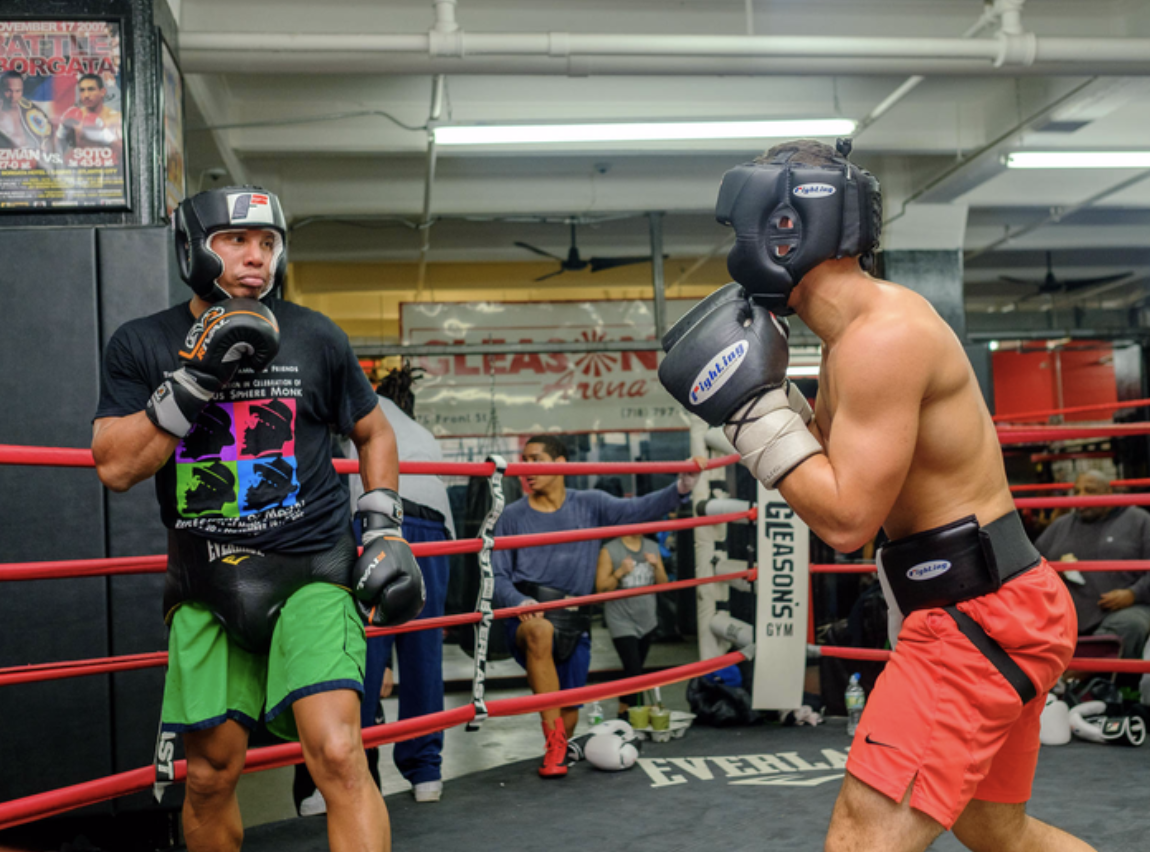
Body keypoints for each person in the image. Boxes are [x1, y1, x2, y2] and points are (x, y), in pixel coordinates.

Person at [660, 139, 1094, 851]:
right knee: (999, 833)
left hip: (977, 615)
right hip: (982, 602)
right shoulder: (848, 342)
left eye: (743, 227)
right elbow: (843, 482)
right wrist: (781, 407)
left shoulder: (882, 337)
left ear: (786, 227)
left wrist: (753, 416)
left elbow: (846, 520)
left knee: (862, 838)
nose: (737, 248)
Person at [91, 186, 425, 852]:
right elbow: (116, 467)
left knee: (338, 752)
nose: (255, 257)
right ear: (194, 249)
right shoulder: (143, 342)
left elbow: (374, 431)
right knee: (210, 776)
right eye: (236, 240)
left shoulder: (316, 335)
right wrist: (194, 379)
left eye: (267, 242)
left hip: (313, 571)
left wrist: (384, 525)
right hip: (206, 583)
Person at [492, 434, 703, 777]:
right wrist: (519, 601)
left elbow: (638, 510)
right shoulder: (512, 516)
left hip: (575, 619)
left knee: (569, 712)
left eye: (535, 459)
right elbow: (498, 574)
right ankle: (556, 746)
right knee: (539, 631)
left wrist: (680, 487)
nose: (526, 468)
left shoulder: (590, 504)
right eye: (523, 460)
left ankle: (559, 746)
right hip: (531, 615)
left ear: (560, 464)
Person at [294, 362, 455, 810]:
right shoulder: (422, 433)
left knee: (358, 652)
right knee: (424, 653)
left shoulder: (354, 406)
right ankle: (427, 773)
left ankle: (345, 774)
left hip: (379, 525)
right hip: (434, 532)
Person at [1035, 470, 1150, 659]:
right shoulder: (1061, 525)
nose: (1081, 497)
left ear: (1108, 493)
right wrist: (1054, 573)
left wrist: (1133, 594)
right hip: (1064, 612)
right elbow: (1032, 566)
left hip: (1124, 610)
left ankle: (1082, 674)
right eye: (1077, 491)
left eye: (1090, 491)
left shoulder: (1139, 520)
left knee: (1131, 625)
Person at [595, 533, 668, 718]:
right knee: (634, 669)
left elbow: (664, 584)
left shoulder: (652, 547)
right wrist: (620, 572)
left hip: (647, 619)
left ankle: (624, 708)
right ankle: (637, 718)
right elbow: (601, 589)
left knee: (633, 669)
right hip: (621, 619)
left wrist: (656, 566)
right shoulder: (610, 550)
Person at [56, 73, 122, 163]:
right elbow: (57, 151)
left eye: (91, 89)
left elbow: (124, 152)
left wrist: (103, 134)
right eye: (82, 90)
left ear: (102, 92)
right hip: (81, 168)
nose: (86, 95)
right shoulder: (74, 116)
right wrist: (62, 128)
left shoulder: (116, 117)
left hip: (109, 168)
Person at [0, 71, 52, 151]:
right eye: (8, 91)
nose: (13, 96)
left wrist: (45, 144)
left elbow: (47, 134)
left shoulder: (30, 110)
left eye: (18, 91)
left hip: (30, 155)